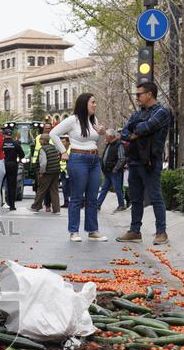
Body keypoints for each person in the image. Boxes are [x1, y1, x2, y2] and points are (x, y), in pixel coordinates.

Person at [117, 80, 173, 245]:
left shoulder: (162, 112)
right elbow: (125, 132)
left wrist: (136, 131)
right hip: (134, 160)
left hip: (150, 161)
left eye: (139, 94)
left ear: (149, 94)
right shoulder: (137, 113)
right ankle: (135, 231)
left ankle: (161, 232)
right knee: (135, 199)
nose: (137, 98)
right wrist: (135, 132)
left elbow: (146, 128)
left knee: (155, 197)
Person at [51, 94, 108, 242]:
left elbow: (95, 138)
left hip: (94, 160)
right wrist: (63, 152)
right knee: (76, 197)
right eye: (93, 102)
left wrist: (102, 133)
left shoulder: (93, 120)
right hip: (78, 159)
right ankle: (74, 232)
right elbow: (53, 133)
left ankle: (92, 231)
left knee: (92, 197)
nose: (95, 105)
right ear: (84, 104)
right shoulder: (73, 120)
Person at [29, 134, 61, 214]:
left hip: (47, 172)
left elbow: (43, 163)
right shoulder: (54, 148)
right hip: (56, 171)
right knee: (54, 190)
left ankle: (36, 206)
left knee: (41, 190)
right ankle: (56, 209)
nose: (39, 141)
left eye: (40, 139)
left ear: (43, 140)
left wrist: (41, 172)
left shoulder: (43, 149)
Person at [96, 129, 126, 211]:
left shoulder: (119, 145)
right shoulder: (109, 144)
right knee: (104, 189)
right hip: (108, 171)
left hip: (114, 172)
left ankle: (121, 205)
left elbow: (122, 158)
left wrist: (116, 168)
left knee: (117, 189)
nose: (105, 137)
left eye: (106, 136)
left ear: (111, 136)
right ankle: (98, 205)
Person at [1, 128, 24, 211]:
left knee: (0, 185)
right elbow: (22, 155)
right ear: (11, 135)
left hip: (2, 165)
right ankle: (12, 205)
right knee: (12, 186)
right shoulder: (15, 144)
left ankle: (1, 202)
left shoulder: (1, 143)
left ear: (4, 135)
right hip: (13, 165)